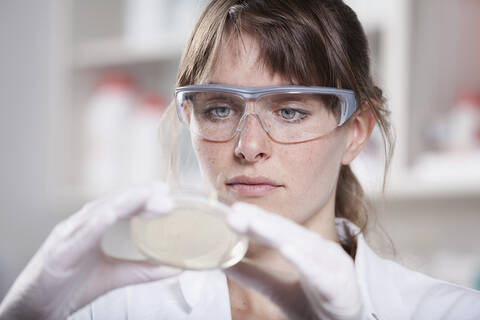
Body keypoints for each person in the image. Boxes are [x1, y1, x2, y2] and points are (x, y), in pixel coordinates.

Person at [1, 0, 480, 319]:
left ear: (355, 133)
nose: (249, 146)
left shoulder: (451, 313)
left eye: (290, 111)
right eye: (220, 109)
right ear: (189, 119)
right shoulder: (124, 307)